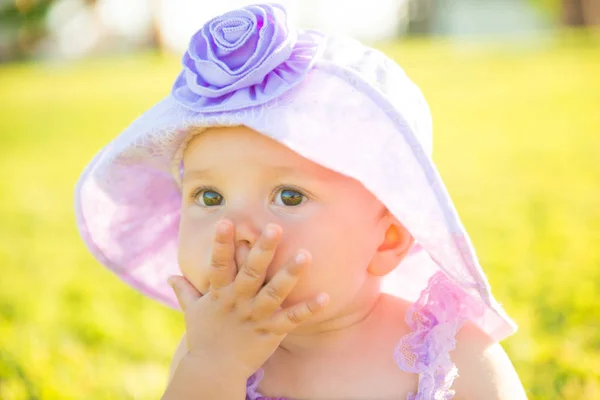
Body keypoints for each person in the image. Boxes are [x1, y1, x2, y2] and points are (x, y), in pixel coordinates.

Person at [74, 3, 527, 399]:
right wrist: (215, 369)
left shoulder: (451, 354)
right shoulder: (206, 355)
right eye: (208, 196)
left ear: (387, 240)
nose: (234, 229)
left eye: (289, 196)